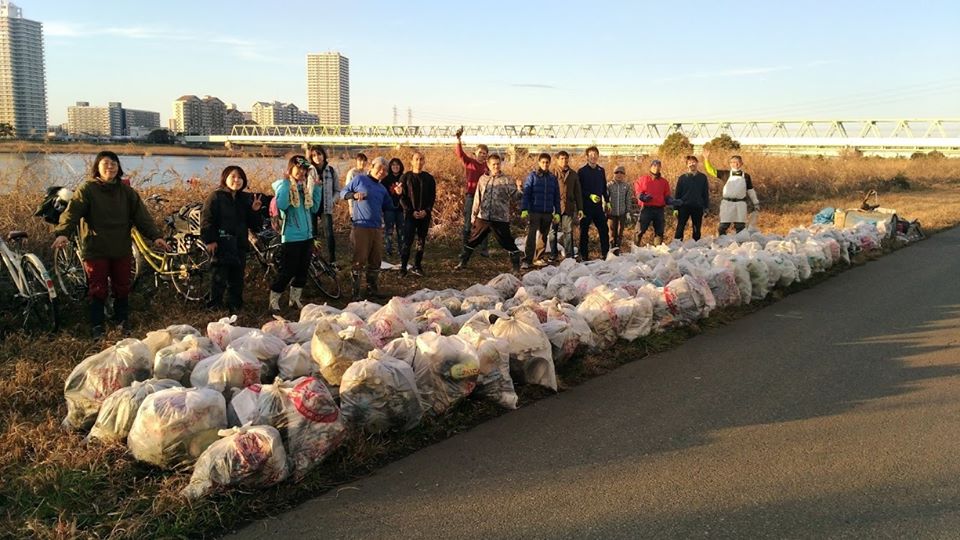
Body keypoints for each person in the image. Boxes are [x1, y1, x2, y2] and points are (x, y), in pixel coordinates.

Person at [52, 151, 169, 338]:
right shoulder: (87, 189)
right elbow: (72, 212)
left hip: (121, 246)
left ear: (118, 167)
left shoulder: (126, 191)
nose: (110, 167)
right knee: (98, 288)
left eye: (114, 163)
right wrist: (63, 233)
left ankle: (121, 320)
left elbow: (142, 217)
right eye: (105, 163)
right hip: (96, 247)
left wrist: (156, 236)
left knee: (122, 286)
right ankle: (97, 325)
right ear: (97, 168)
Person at [200, 166, 263, 311]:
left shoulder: (245, 198)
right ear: (225, 178)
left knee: (237, 279)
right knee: (218, 278)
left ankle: (235, 307)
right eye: (233, 176)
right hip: (221, 244)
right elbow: (206, 221)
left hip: (239, 244)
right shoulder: (215, 197)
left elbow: (254, 225)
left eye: (240, 177)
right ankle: (214, 308)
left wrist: (254, 211)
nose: (237, 180)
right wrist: (210, 240)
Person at [269, 156, 322, 311]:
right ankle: (274, 300)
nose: (301, 171)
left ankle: (294, 300)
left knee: (302, 271)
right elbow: (282, 205)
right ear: (290, 169)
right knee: (287, 271)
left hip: (307, 236)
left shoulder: (303, 188)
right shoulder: (284, 186)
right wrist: (287, 183)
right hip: (291, 237)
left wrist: (317, 189)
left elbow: (313, 208)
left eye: (304, 169)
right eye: (298, 168)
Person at [455, 153, 523, 272]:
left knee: (507, 242)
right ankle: (463, 263)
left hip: (500, 218)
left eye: (498, 164)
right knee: (473, 240)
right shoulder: (483, 178)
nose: (496, 167)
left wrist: (519, 188)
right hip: (484, 216)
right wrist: (473, 215)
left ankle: (516, 267)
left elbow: (516, 197)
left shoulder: (507, 180)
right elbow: (477, 197)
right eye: (493, 164)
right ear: (488, 165)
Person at [340, 156, 394, 300]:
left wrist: (398, 194)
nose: (381, 172)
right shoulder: (360, 180)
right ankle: (355, 293)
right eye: (379, 168)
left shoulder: (382, 188)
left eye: (385, 170)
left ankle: (372, 289)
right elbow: (342, 193)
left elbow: (390, 206)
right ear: (372, 167)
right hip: (361, 226)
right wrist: (353, 195)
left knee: (376, 260)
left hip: (376, 228)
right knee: (359, 259)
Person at [398, 151, 436, 277]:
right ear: (411, 161)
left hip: (424, 215)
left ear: (424, 161)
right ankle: (403, 267)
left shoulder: (429, 178)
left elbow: (432, 197)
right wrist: (410, 211)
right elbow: (402, 197)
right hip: (410, 215)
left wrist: (426, 211)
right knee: (407, 241)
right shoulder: (405, 177)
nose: (419, 162)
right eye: (416, 159)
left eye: (421, 159)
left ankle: (417, 265)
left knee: (421, 241)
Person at [704, 151, 760, 235]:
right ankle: (722, 242)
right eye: (733, 162)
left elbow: (750, 190)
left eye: (737, 162)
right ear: (730, 164)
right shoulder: (725, 174)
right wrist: (706, 159)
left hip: (740, 204)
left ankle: (739, 243)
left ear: (741, 163)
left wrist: (756, 202)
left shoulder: (746, 176)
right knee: (723, 225)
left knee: (740, 226)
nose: (735, 164)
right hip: (727, 203)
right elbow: (711, 171)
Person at [521, 153, 561, 270]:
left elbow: (556, 197)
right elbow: (527, 193)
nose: (545, 164)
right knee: (531, 235)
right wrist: (524, 209)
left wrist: (557, 212)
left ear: (550, 163)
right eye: (543, 162)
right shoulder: (532, 176)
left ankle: (539, 257)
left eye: (547, 162)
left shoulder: (552, 178)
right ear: (539, 163)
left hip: (547, 212)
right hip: (535, 211)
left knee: (544, 236)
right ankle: (527, 260)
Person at [454, 127, 490, 256]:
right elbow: (460, 154)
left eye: (485, 153)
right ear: (476, 153)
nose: (483, 155)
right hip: (471, 196)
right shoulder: (470, 163)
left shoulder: (488, 167)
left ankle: (484, 249)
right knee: (468, 223)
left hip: (484, 198)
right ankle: (465, 249)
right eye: (481, 152)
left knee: (484, 223)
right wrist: (458, 140)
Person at [306, 145, 340, 265]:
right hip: (311, 206)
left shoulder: (331, 170)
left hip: (326, 206)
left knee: (329, 234)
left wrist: (333, 200)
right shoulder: (308, 171)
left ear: (323, 155)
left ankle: (332, 260)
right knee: (312, 234)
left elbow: (338, 190)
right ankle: (314, 260)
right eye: (314, 155)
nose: (317, 157)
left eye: (319, 154)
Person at [577, 146, 610, 261]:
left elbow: (604, 187)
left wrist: (607, 201)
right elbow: (579, 189)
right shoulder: (582, 171)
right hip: (586, 206)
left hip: (598, 207)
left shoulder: (601, 170)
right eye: (591, 155)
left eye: (595, 155)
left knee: (604, 229)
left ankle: (606, 253)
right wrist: (590, 195)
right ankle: (584, 255)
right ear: (587, 157)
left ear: (598, 156)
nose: (593, 157)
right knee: (584, 231)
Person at [548, 150, 582, 261]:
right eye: (561, 158)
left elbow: (578, 192)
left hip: (568, 207)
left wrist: (580, 208)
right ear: (557, 160)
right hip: (554, 207)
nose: (564, 161)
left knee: (568, 231)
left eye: (566, 158)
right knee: (553, 232)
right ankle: (553, 254)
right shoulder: (552, 173)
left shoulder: (573, 174)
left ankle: (569, 255)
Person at [633, 159, 672, 246]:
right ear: (650, 167)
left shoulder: (664, 182)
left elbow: (667, 195)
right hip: (647, 208)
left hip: (659, 209)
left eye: (658, 166)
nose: (656, 168)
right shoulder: (643, 179)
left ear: (660, 168)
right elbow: (637, 190)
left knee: (659, 231)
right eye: (654, 166)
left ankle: (657, 252)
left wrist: (671, 201)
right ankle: (635, 248)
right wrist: (641, 196)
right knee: (639, 230)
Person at [673, 155, 710, 241]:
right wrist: (675, 208)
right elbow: (677, 193)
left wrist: (706, 207)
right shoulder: (682, 178)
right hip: (684, 206)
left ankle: (696, 245)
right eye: (689, 163)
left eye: (693, 162)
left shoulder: (702, 177)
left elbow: (705, 193)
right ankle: (677, 244)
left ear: (697, 163)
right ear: (687, 165)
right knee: (680, 226)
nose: (692, 164)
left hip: (698, 206)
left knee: (697, 227)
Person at [606, 165, 638, 253]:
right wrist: (605, 210)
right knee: (612, 233)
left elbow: (628, 200)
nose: (619, 175)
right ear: (614, 174)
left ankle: (617, 250)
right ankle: (611, 250)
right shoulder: (609, 185)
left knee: (620, 232)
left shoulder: (626, 186)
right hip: (611, 214)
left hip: (622, 213)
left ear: (624, 175)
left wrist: (628, 212)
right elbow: (605, 199)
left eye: (621, 173)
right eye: (617, 172)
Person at [381, 157, 405, 258]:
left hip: (401, 209)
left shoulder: (404, 178)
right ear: (390, 167)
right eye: (393, 165)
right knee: (389, 230)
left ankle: (402, 250)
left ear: (400, 166)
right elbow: (382, 194)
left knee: (401, 231)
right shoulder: (386, 179)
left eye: (397, 165)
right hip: (389, 209)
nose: (395, 167)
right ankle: (388, 250)